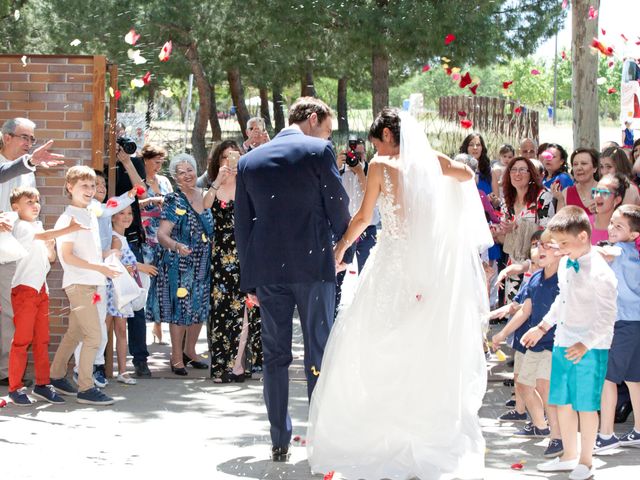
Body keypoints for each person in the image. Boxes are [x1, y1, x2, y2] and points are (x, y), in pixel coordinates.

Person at [307, 109, 492, 479]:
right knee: (423, 345)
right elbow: (468, 175)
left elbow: (362, 217)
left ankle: (381, 432)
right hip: (430, 267)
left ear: (388, 134)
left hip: (393, 264)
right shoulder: (435, 162)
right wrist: (445, 228)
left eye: (376, 139)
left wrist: (341, 248)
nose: (374, 146)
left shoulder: (379, 166)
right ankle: (420, 426)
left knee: (373, 341)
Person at [234, 97, 352, 462]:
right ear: (313, 119)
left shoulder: (248, 161)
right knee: (318, 350)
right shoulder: (318, 151)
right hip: (314, 266)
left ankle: (279, 439)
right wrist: (343, 248)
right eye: (327, 127)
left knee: (275, 356)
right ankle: (319, 437)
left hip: (268, 270)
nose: (327, 134)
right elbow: (338, 205)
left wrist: (249, 279)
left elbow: (243, 223)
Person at [521, 206, 618, 480]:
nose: (560, 249)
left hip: (590, 348)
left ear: (584, 237)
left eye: (564, 243)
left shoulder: (601, 273)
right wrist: (542, 327)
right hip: (563, 341)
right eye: (557, 243)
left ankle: (586, 462)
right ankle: (568, 455)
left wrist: (586, 344)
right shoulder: (566, 262)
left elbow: (607, 316)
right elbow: (561, 301)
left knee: (586, 405)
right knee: (562, 401)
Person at [0, 118, 65, 387]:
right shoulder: (17, 165)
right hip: (4, 249)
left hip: (20, 252)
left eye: (31, 139)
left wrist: (44, 244)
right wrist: (29, 162)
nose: (28, 143)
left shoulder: (29, 168)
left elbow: (29, 211)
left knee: (13, 313)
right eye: (23, 137)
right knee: (9, 313)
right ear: (5, 137)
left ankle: (8, 373)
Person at [7, 187, 85, 406]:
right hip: (24, 290)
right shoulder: (21, 226)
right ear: (16, 207)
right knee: (21, 341)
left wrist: (51, 247)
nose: (35, 205)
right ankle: (15, 388)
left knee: (42, 340)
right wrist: (68, 229)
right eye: (29, 202)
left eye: (37, 201)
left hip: (41, 290)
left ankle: (42, 384)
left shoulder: (37, 226)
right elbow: (42, 237)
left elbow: (49, 258)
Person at [49, 166, 120, 406]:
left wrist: (104, 260)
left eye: (92, 186)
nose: (90, 190)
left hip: (90, 283)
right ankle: (86, 388)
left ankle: (57, 376)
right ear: (70, 187)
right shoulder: (69, 217)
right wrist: (99, 268)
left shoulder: (88, 213)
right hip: (80, 285)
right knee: (94, 337)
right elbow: (67, 257)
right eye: (84, 186)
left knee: (76, 333)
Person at [493, 230, 563, 458]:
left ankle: (557, 437)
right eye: (538, 246)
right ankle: (540, 425)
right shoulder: (535, 278)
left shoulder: (565, 279)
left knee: (544, 387)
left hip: (553, 342)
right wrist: (502, 333)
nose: (541, 250)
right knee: (523, 385)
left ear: (561, 251)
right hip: (535, 342)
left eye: (547, 246)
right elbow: (525, 310)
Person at [146, 153, 215, 376]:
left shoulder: (206, 196)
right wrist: (176, 246)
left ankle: (190, 351)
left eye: (190, 170)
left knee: (199, 307)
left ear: (197, 171)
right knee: (181, 310)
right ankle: (176, 357)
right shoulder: (173, 200)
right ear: (175, 178)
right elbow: (162, 234)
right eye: (181, 172)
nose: (187, 175)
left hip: (203, 261)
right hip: (180, 263)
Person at [72, 170, 139, 388]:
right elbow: (114, 206)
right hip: (86, 275)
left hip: (101, 276)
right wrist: (130, 194)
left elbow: (114, 206)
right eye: (93, 185)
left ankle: (96, 365)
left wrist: (130, 195)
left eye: (101, 185)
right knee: (87, 325)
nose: (98, 188)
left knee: (99, 325)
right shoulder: (92, 209)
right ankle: (81, 368)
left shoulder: (103, 210)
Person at [206, 140, 262, 383]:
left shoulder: (248, 184)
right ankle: (221, 366)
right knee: (222, 312)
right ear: (218, 161)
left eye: (234, 156)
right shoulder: (214, 186)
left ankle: (238, 364)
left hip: (246, 252)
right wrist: (218, 180)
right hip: (221, 256)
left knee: (246, 310)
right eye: (225, 157)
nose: (230, 161)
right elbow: (204, 205)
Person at [594, 205, 640, 453]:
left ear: (634, 234)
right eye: (611, 222)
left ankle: (606, 434)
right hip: (635, 322)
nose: (611, 228)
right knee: (634, 379)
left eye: (618, 225)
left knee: (607, 379)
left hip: (622, 323)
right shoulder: (634, 251)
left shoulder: (617, 250)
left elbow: (600, 253)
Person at [106, 206, 158, 385]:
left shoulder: (123, 238)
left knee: (120, 332)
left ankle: (122, 371)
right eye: (122, 213)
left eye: (129, 213)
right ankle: (108, 370)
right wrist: (140, 267)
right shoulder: (116, 239)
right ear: (112, 218)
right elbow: (115, 265)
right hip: (116, 292)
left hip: (123, 293)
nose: (127, 217)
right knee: (116, 331)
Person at [115, 145, 152, 377]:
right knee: (115, 303)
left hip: (132, 238)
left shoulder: (134, 162)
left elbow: (143, 193)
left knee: (137, 300)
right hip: (112, 236)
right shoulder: (102, 162)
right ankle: (108, 361)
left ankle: (140, 358)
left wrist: (127, 162)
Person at [496, 156, 555, 303]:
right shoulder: (507, 201)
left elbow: (548, 231)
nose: (517, 173)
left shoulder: (542, 196)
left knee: (533, 310)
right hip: (514, 264)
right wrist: (499, 232)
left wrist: (518, 226)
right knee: (513, 311)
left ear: (531, 174)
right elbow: (505, 239)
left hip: (537, 263)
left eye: (523, 170)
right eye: (513, 170)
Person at [334, 137, 379, 315]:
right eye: (352, 153)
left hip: (367, 230)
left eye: (359, 153)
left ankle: (366, 312)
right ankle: (334, 311)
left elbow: (375, 199)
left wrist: (360, 172)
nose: (355, 157)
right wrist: (336, 167)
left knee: (367, 273)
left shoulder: (371, 170)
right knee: (338, 274)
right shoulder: (338, 171)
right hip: (344, 229)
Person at [136, 144, 173, 344]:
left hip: (164, 235)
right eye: (156, 162)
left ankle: (158, 324)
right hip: (146, 237)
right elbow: (137, 202)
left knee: (162, 282)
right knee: (145, 281)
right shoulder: (138, 181)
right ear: (146, 161)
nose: (159, 166)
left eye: (161, 162)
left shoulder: (165, 181)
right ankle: (143, 324)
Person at [552, 148, 599, 219]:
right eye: (575, 164)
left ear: (595, 168)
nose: (579, 168)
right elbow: (559, 225)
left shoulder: (605, 190)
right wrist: (560, 199)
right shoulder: (567, 193)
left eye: (584, 163)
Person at [590, 174, 627, 245]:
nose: (598, 197)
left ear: (617, 200)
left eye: (604, 193)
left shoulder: (624, 232)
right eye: (596, 192)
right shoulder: (583, 224)